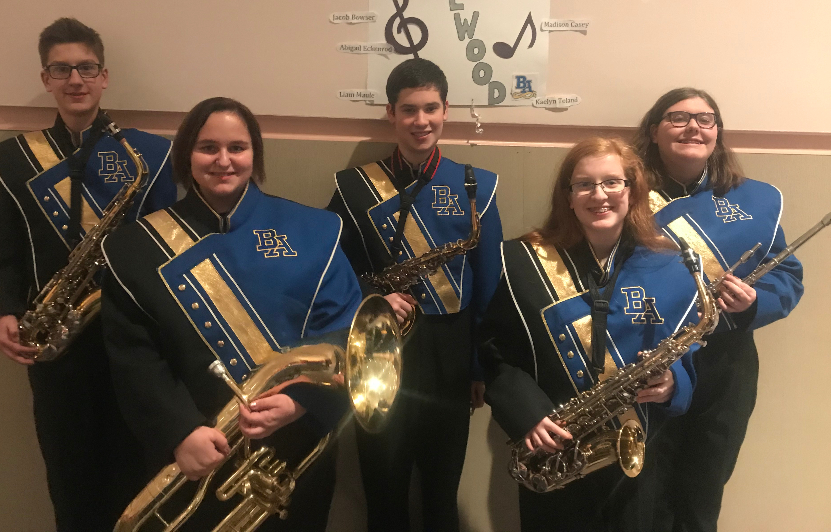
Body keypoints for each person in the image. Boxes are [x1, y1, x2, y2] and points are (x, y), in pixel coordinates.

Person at [101, 97, 365, 531]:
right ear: (188, 155)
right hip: (196, 452)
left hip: (295, 446)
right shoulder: (135, 247)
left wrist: (299, 402)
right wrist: (179, 432)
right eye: (208, 147)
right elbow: (134, 357)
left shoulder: (313, 229)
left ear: (254, 155)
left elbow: (345, 332)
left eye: (237, 148)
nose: (223, 160)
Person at [0, 17, 176, 531]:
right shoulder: (15, 159)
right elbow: (8, 255)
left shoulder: (149, 155)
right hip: (55, 343)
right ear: (46, 78)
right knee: (69, 477)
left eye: (86, 68)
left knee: (137, 471)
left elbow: (166, 253)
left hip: (129, 339)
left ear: (104, 75)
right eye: (62, 69)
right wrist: (2, 309)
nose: (76, 80)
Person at [479, 137, 702, 532]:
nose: (599, 195)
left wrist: (673, 383)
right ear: (567, 196)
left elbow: (684, 353)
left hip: (638, 453)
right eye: (584, 184)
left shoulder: (669, 265)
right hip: (553, 450)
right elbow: (494, 352)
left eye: (612, 182)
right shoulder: (517, 261)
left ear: (632, 191)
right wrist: (526, 414)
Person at [327, 58, 503, 532]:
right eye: (409, 110)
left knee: (442, 493)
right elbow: (330, 270)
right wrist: (371, 295)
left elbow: (489, 287)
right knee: (382, 488)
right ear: (391, 113)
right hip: (378, 351)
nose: (420, 121)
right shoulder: (354, 187)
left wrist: (478, 367)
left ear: (446, 110)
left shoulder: (476, 186)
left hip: (449, 356)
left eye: (430, 109)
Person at [634, 88, 804, 532]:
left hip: (724, 364)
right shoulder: (622, 193)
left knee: (703, 489)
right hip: (648, 361)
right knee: (643, 490)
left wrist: (752, 305)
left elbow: (787, 278)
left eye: (706, 119)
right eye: (678, 117)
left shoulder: (753, 199)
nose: (694, 127)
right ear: (654, 131)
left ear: (718, 134)